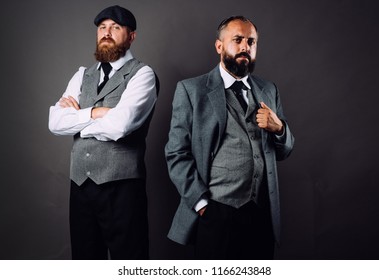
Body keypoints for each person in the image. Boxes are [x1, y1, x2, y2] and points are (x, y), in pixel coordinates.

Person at [165, 15, 294, 259]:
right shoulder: (192, 90)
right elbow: (176, 154)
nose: (246, 46)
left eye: (251, 41)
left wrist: (279, 129)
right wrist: (202, 205)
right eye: (238, 40)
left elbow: (285, 151)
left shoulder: (268, 89)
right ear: (219, 46)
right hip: (216, 213)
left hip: (260, 214)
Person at [48, 5, 158, 260]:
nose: (106, 33)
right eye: (102, 28)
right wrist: (95, 113)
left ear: (131, 36)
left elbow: (121, 126)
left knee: (130, 263)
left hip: (123, 190)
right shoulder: (81, 75)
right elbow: (55, 123)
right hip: (81, 189)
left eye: (115, 28)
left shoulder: (143, 74)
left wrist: (77, 119)